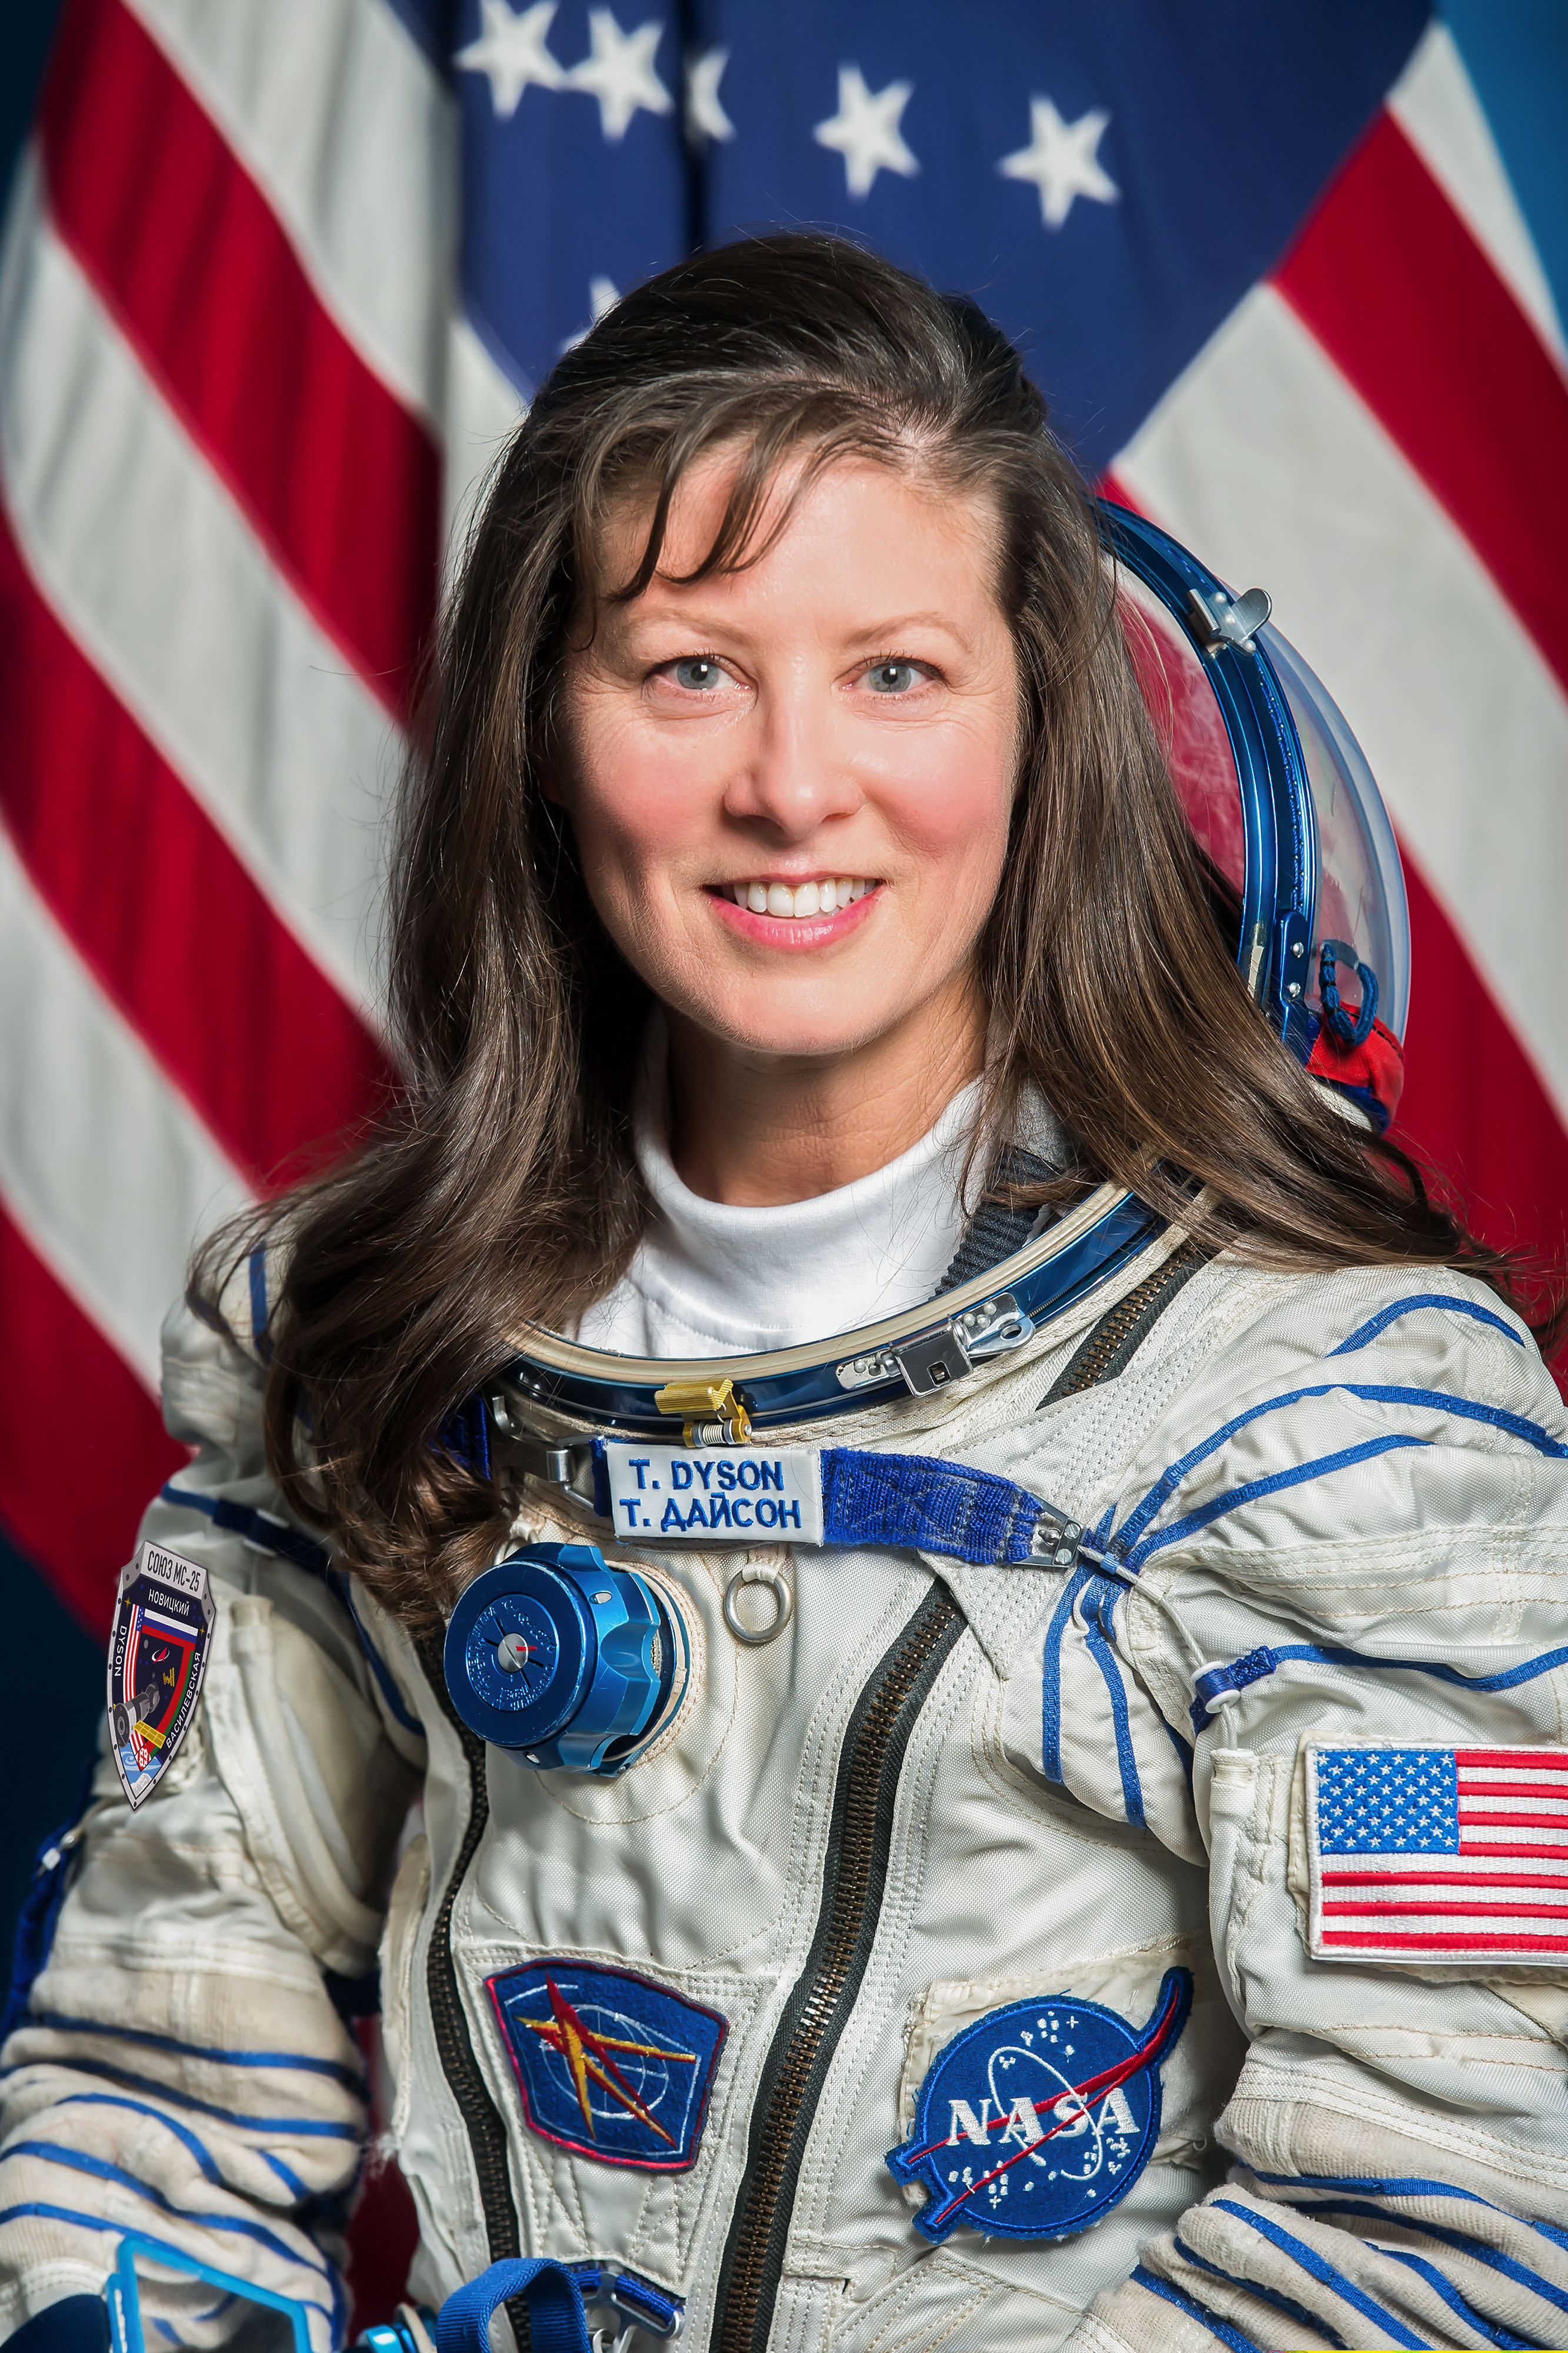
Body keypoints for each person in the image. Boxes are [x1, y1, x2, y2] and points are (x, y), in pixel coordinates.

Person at [4, 233, 1567, 2353]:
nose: (791, 784)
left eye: (897, 674)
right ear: (541, 737)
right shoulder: (368, 1341)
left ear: (1042, 742)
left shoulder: (1336, 1427)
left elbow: (1439, 2253)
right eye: (687, 668)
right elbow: (154, 2091)